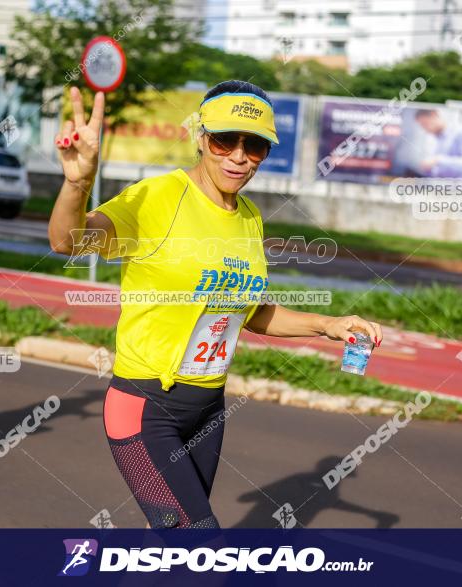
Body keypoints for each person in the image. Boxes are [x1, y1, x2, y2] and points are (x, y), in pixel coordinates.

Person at [48, 80, 383, 529]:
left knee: (168, 549)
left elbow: (249, 311)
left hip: (208, 410)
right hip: (146, 409)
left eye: (255, 145)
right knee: (201, 547)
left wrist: (328, 324)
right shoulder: (157, 197)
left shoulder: (247, 217)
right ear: (201, 137)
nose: (239, 156)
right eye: (225, 140)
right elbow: (67, 241)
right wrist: (77, 182)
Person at [414, 108, 462, 179]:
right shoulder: (434, 139)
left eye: (425, 124)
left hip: (459, 188)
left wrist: (438, 160)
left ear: (434, 114)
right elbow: (438, 171)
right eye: (422, 126)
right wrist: (427, 169)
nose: (425, 130)